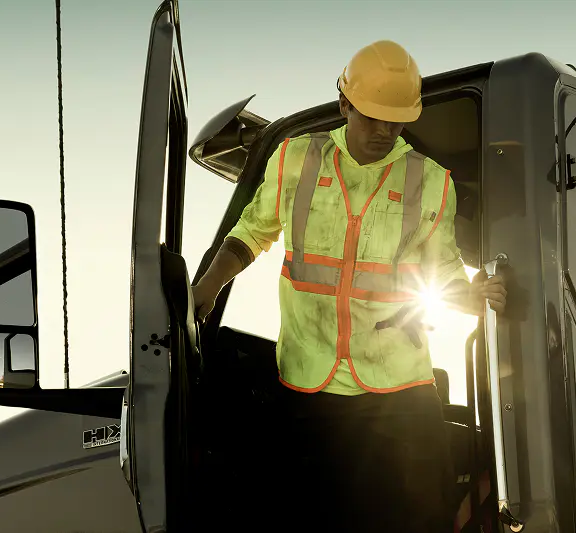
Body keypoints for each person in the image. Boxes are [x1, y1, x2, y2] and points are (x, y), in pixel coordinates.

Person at [192, 40, 507, 533]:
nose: (386, 131)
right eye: (374, 117)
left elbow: (442, 270)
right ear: (345, 105)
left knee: (416, 521)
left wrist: (472, 295)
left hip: (398, 396)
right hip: (308, 386)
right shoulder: (296, 160)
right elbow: (250, 232)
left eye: (397, 120)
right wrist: (206, 287)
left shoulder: (431, 182)